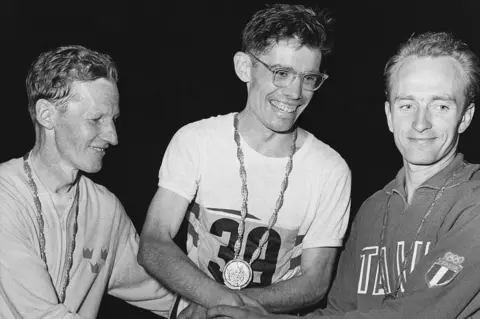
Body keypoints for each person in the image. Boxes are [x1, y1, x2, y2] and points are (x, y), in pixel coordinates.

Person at [205, 31, 480, 319]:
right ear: (389, 115)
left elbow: (413, 314)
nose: (420, 123)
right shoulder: (372, 209)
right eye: (407, 105)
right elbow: (337, 311)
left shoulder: (472, 203)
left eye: (441, 106)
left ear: (465, 116)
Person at [137, 3, 352, 319]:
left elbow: (315, 282)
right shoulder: (196, 140)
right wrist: (213, 298)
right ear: (244, 67)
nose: (295, 92)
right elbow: (154, 243)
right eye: (281, 73)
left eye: (309, 78)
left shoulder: (331, 170)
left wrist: (222, 305)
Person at [0, 45, 175, 318]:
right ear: (47, 115)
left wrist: (217, 306)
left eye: (114, 119)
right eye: (96, 120)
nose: (113, 137)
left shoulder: (105, 208)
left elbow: (164, 293)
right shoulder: (5, 198)